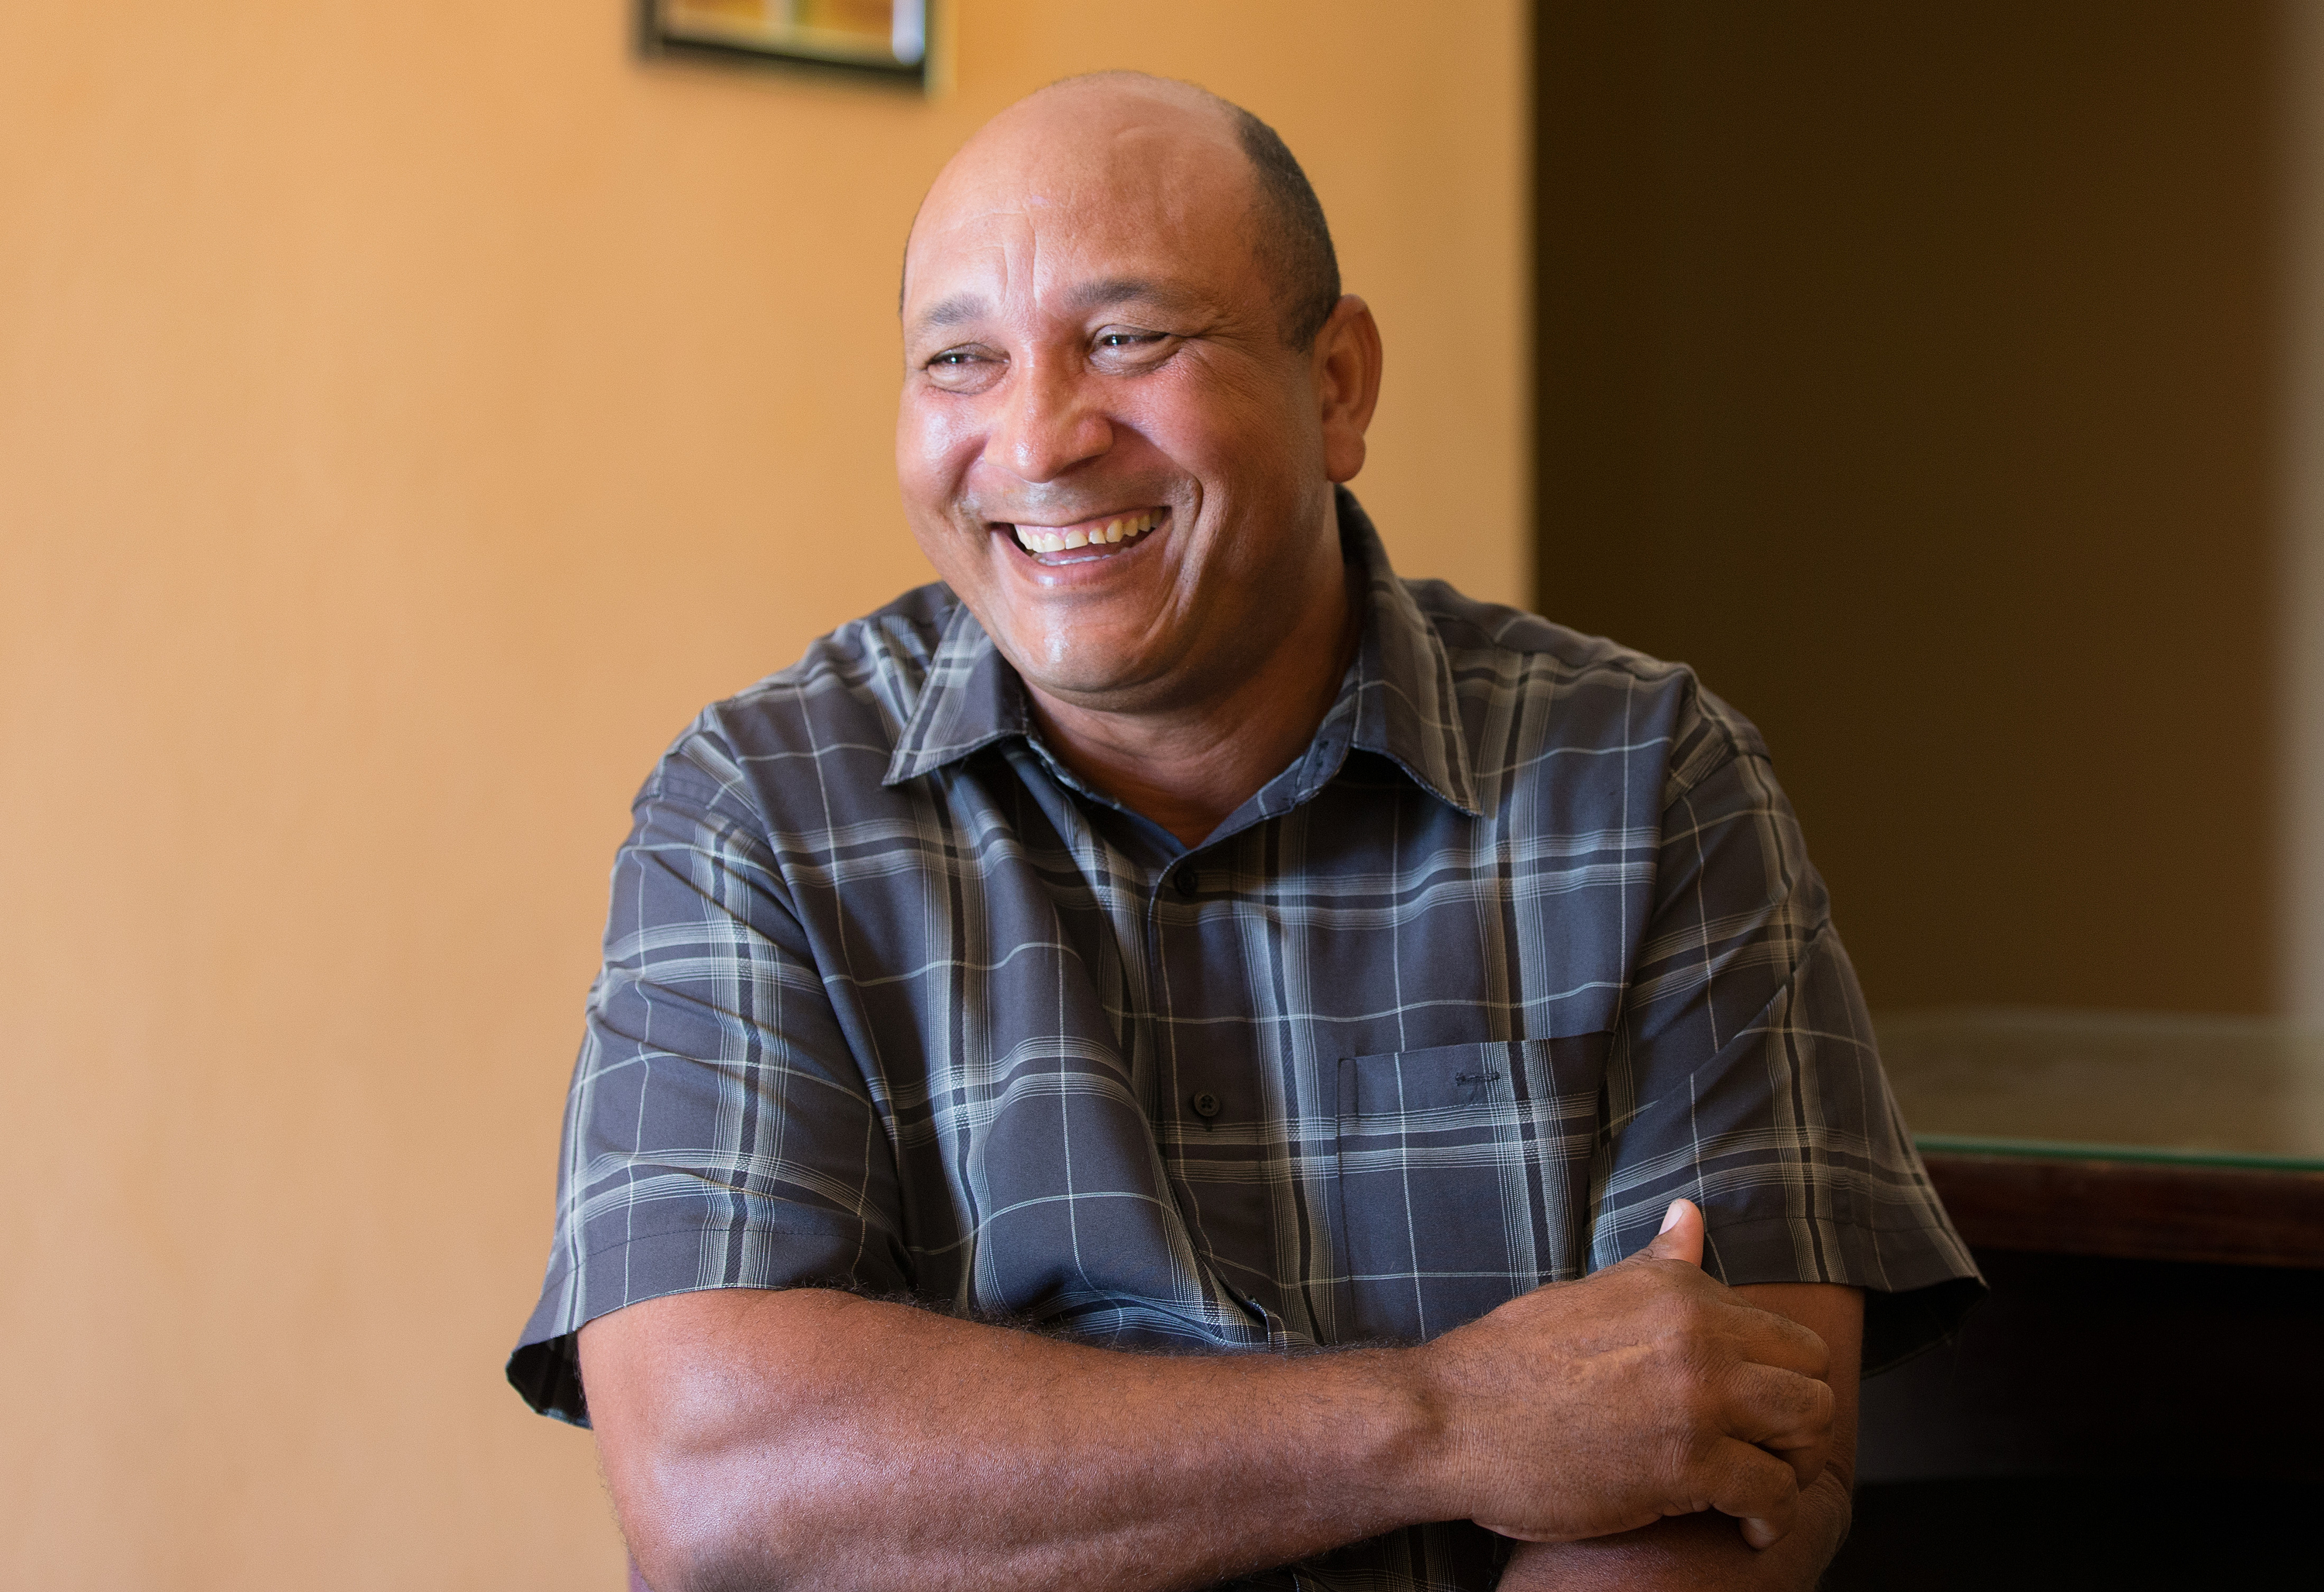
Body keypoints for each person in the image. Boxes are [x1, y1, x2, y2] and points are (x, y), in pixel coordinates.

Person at [507, 71, 1981, 1592]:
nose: (1037, 437)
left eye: (1127, 340)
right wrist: (1448, 1417)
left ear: (1337, 383)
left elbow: (1738, 1464)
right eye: (961, 359)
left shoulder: (1646, 783)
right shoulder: (757, 814)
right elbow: (723, 1487)